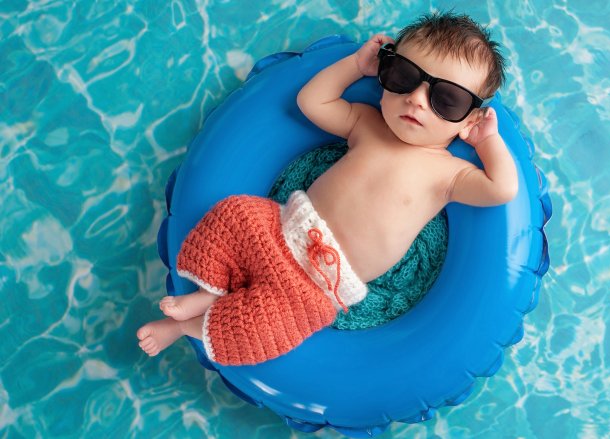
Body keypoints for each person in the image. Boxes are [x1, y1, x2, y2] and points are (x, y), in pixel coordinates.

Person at [137, 12, 518, 365]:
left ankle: (182, 327)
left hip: (317, 287)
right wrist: (356, 66)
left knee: (264, 331)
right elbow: (312, 101)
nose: (416, 99)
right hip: (282, 229)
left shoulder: (449, 174)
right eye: (403, 76)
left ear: (469, 118)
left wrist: (487, 142)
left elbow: (501, 189)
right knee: (234, 214)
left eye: (446, 100)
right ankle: (206, 293)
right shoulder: (368, 125)